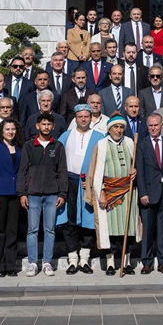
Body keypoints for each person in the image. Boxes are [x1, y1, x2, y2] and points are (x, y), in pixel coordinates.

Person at [17, 113, 68, 277]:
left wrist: (62, 193)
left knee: (50, 230)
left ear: (53, 127)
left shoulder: (58, 146)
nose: (46, 127)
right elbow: (22, 171)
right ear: (37, 126)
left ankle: (47, 262)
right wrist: (22, 193)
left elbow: (62, 172)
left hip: (52, 194)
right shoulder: (29, 146)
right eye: (43, 124)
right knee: (32, 229)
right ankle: (33, 263)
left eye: (49, 124)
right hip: (32, 195)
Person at [58, 104, 104, 273]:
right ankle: (72, 258)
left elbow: (103, 161)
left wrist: (93, 181)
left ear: (91, 117)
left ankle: (85, 258)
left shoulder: (99, 137)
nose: (83, 119)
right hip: (69, 182)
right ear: (75, 118)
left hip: (89, 185)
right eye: (80, 116)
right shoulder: (66, 136)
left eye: (86, 116)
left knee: (88, 220)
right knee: (69, 221)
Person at [90, 114, 137, 275]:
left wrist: (134, 171)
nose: (118, 130)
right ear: (109, 129)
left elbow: (134, 164)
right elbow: (97, 171)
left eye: (121, 127)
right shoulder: (101, 144)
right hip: (109, 194)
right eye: (115, 127)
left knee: (128, 229)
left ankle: (126, 262)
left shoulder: (130, 142)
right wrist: (101, 192)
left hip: (128, 192)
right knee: (109, 229)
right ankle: (110, 263)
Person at [135, 112, 163, 274]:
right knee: (148, 230)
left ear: (162, 126)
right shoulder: (142, 144)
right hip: (148, 193)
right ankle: (146, 262)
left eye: (156, 125)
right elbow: (140, 170)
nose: (153, 128)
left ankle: (162, 262)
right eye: (150, 125)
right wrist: (143, 193)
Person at [0, 118, 22, 277]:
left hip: (15, 194)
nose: (10, 132)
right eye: (7, 129)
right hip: (0, 194)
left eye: (13, 129)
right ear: (2, 131)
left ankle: (10, 265)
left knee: (12, 231)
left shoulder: (21, 148)